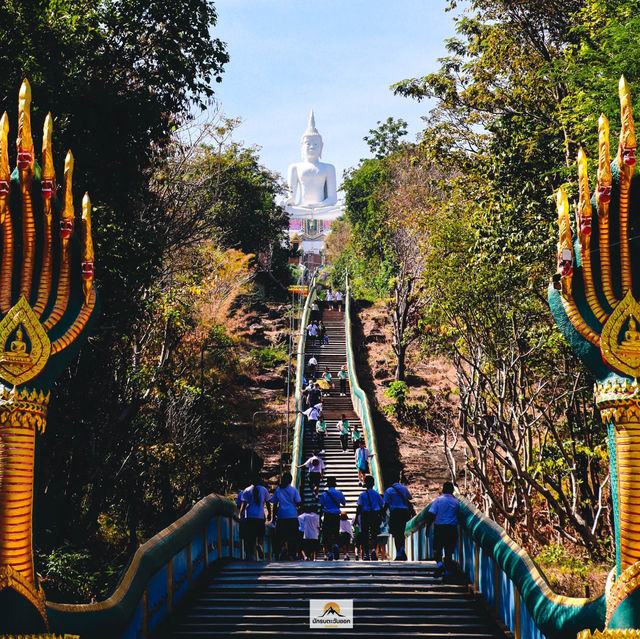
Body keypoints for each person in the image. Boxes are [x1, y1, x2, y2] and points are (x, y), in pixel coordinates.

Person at [424, 481, 461, 576]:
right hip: (451, 528)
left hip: (440, 528)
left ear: (443, 490)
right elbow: (458, 515)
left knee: (437, 549)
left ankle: (440, 565)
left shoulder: (438, 500)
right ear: (452, 491)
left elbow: (431, 514)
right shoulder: (456, 502)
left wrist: (428, 528)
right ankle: (447, 571)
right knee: (448, 551)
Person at [270, 472, 302, 560]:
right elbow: (298, 502)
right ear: (290, 481)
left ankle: (282, 548)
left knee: (280, 536)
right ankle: (291, 553)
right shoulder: (293, 490)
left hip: (281, 516)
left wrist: (273, 517)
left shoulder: (278, 490)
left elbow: (275, 504)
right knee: (293, 536)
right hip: (292, 515)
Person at [239, 477, 271, 560]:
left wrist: (240, 514)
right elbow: (267, 502)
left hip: (249, 516)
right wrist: (269, 514)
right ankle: (259, 545)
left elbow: (244, 503)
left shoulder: (247, 490)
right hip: (260, 516)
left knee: (250, 536)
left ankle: (251, 554)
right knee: (261, 534)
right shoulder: (264, 490)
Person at [383, 473, 414, 561]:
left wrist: (383, 515)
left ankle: (399, 553)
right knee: (401, 532)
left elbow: (385, 504)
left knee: (396, 534)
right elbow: (410, 497)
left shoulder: (389, 491)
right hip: (404, 513)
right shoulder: (404, 488)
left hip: (395, 513)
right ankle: (403, 549)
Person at [318, 477, 346, 560]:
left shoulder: (324, 494)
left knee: (327, 535)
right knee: (336, 532)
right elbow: (344, 503)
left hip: (327, 515)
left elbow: (321, 506)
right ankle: (336, 545)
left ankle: (330, 553)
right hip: (336, 515)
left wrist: (319, 518)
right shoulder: (339, 493)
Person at [356, 475, 384, 560]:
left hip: (365, 515)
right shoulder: (377, 495)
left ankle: (367, 555)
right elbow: (382, 505)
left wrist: (357, 517)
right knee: (374, 534)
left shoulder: (362, 495)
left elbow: (359, 507)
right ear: (373, 484)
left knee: (365, 535)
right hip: (375, 515)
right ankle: (373, 551)